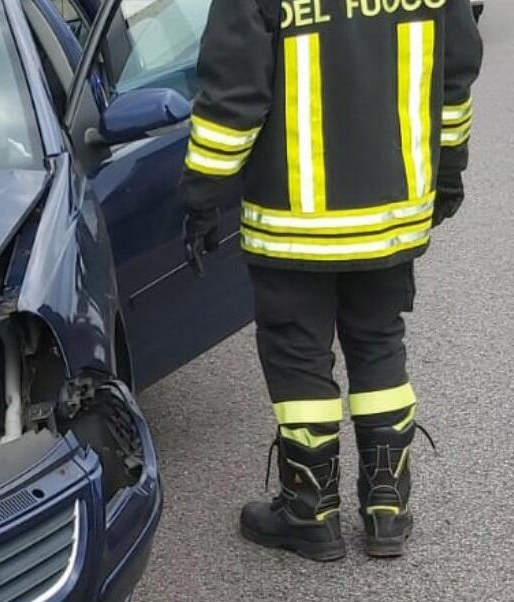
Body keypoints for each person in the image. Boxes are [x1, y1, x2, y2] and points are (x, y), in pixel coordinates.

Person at [180, 0, 482, 560]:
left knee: (298, 354)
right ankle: (387, 507)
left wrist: (200, 196)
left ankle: (310, 512)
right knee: (378, 341)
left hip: (295, 221)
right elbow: (454, 79)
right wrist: (449, 171)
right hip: (391, 213)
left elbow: (233, 99)